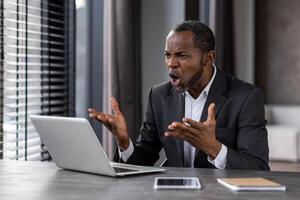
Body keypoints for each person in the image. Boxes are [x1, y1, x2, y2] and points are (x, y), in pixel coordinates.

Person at [88, 21, 269, 170]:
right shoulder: (158, 95)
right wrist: (124, 142)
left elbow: (259, 168)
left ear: (208, 58)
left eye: (182, 55)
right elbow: (144, 159)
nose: (171, 64)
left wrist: (214, 148)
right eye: (167, 55)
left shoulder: (246, 97)